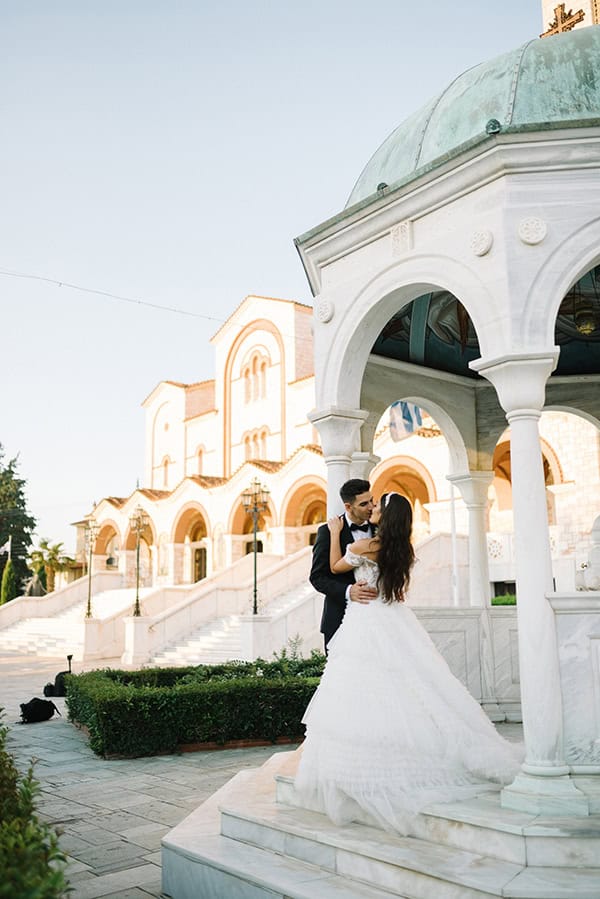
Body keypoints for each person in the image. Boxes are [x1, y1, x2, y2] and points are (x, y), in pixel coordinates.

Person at [295, 492, 523, 835]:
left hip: (366, 619)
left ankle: (370, 763)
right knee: (412, 684)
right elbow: (395, 588)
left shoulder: (364, 547)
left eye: (377, 506)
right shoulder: (404, 550)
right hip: (394, 617)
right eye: (369, 504)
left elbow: (334, 567)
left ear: (386, 516)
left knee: (363, 688)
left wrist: (334, 533)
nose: (372, 509)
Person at [309, 478, 378, 652]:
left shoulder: (380, 528)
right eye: (364, 504)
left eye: (371, 500)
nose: (371, 507)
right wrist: (348, 591)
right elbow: (317, 577)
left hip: (376, 617)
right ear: (348, 507)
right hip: (338, 618)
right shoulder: (327, 532)